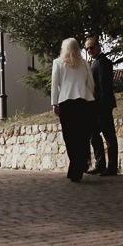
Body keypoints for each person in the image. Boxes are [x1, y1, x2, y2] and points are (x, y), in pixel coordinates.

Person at [51, 38, 95, 182]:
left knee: (69, 137)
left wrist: (54, 103)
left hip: (66, 102)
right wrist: (88, 94)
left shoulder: (57, 63)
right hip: (83, 101)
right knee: (82, 136)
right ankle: (79, 165)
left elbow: (54, 84)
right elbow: (91, 83)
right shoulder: (84, 63)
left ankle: (76, 166)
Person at [84, 38, 118, 176]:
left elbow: (104, 86)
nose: (89, 51)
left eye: (91, 47)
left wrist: (102, 105)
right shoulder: (96, 62)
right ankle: (100, 165)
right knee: (94, 135)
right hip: (96, 107)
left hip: (103, 106)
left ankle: (111, 168)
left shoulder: (103, 62)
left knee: (109, 136)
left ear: (98, 46)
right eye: (87, 49)